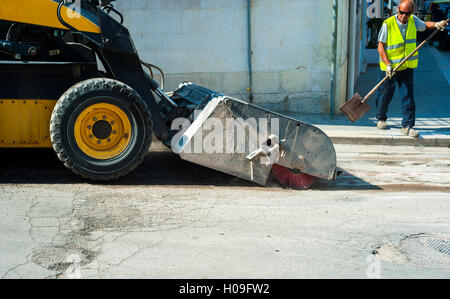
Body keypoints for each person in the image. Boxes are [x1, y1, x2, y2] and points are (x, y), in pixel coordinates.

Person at [376, 0, 448, 137]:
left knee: (408, 96)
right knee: (385, 94)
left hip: (406, 67)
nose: (404, 16)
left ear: (411, 13)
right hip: (390, 68)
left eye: (407, 13)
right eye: (401, 12)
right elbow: (380, 46)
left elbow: (425, 25)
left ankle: (407, 126)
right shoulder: (388, 24)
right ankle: (381, 118)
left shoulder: (413, 20)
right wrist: (388, 65)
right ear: (398, 10)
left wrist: (437, 24)